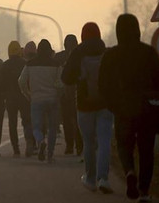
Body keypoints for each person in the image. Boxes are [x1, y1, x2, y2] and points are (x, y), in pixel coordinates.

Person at [98, 14, 159, 202]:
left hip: (123, 109)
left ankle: (130, 171)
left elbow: (103, 85)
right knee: (146, 149)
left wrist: (112, 105)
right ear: (137, 29)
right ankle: (144, 191)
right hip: (147, 109)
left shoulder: (111, 55)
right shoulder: (148, 52)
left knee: (124, 144)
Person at [62, 23, 113, 193]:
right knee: (104, 140)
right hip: (105, 103)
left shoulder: (78, 52)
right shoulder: (106, 51)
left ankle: (90, 179)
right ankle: (104, 178)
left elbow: (66, 78)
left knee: (89, 142)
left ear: (83, 35)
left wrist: (78, 78)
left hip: (84, 104)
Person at [19, 39, 60, 163]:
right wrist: (58, 95)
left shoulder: (30, 64)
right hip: (52, 99)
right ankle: (50, 155)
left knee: (36, 127)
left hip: (36, 99)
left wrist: (27, 93)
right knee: (52, 128)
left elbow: (21, 81)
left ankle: (41, 141)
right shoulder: (56, 64)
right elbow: (60, 83)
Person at [0, 41, 34, 157]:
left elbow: (1, 84)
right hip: (24, 97)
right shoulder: (25, 64)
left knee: (12, 123)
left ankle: (16, 148)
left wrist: (4, 95)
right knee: (27, 121)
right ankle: (29, 142)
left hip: (10, 99)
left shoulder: (5, 65)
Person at [54, 35, 83, 156]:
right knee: (78, 121)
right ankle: (79, 145)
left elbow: (55, 76)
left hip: (64, 94)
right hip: (78, 93)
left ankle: (69, 146)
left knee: (66, 121)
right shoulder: (81, 56)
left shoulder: (59, 57)